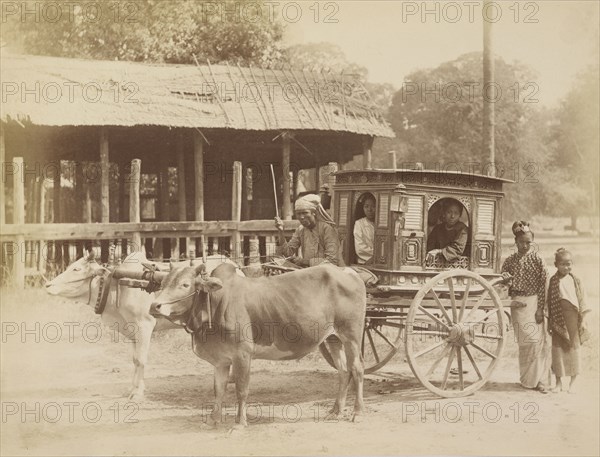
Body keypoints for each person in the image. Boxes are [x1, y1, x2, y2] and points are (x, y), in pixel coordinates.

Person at [501, 221, 551, 393]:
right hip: (517, 304)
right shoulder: (509, 261)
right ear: (516, 242)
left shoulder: (537, 259)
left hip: (534, 302)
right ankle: (528, 380)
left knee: (538, 342)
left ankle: (541, 381)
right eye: (522, 242)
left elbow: (543, 285)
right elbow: (503, 284)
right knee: (525, 343)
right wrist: (506, 280)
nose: (525, 245)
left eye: (529, 242)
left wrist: (540, 309)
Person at [547, 248, 590, 393]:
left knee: (573, 348)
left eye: (569, 264)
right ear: (556, 264)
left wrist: (583, 320)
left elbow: (583, 301)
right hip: (558, 318)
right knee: (557, 350)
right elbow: (550, 302)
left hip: (573, 318)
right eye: (563, 264)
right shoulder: (553, 281)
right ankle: (558, 382)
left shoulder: (576, 280)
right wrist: (550, 320)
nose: (566, 267)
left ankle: (573, 382)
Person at [274, 194, 343, 267]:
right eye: (298, 214)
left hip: (326, 273)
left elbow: (332, 261)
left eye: (305, 213)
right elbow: (288, 253)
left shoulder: (327, 229)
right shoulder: (301, 230)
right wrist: (281, 231)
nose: (301, 217)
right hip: (308, 272)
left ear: (314, 213)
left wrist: (305, 262)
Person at [353, 195, 376, 265]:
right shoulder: (359, 224)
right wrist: (376, 255)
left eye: (373, 206)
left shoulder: (382, 224)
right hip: (364, 261)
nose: (370, 209)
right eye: (366, 206)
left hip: (381, 261)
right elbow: (360, 247)